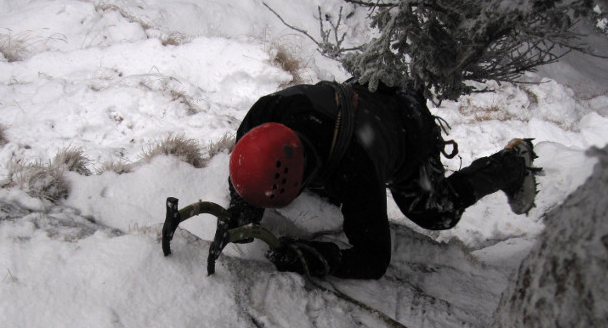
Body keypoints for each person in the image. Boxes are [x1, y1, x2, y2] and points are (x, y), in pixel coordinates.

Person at [226, 79, 539, 280]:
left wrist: (319, 257)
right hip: (365, 93)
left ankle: (511, 163)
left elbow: (373, 259)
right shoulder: (265, 115)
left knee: (436, 211)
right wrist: (240, 209)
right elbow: (249, 170)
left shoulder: (356, 169)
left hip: (405, 127)